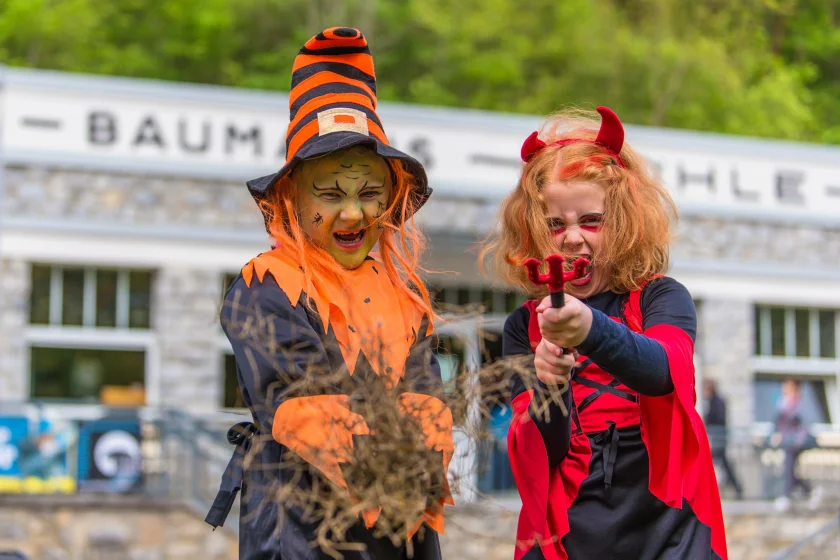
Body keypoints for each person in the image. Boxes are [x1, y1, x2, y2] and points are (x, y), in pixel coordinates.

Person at [205, 27, 454, 559]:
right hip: (304, 524)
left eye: (369, 194)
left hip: (403, 523)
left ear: (392, 197)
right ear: (292, 199)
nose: (352, 213)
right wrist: (383, 467)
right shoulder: (267, 284)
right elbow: (294, 397)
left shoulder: (403, 292)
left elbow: (426, 392)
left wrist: (422, 461)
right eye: (330, 194)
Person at [481, 107, 727, 559]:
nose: (572, 238)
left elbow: (662, 373)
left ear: (626, 221)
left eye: (591, 221)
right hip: (568, 534)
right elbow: (542, 453)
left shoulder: (661, 298)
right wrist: (551, 386)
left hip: (669, 526)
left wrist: (591, 329)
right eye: (556, 224)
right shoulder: (524, 326)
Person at [769, 378, 818, 511]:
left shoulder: (799, 403)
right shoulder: (783, 403)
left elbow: (804, 424)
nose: (784, 388)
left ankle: (787, 496)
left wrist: (798, 441)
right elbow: (780, 423)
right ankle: (809, 491)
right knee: (790, 469)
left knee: (789, 467)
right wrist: (777, 434)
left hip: (795, 443)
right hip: (787, 442)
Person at [703, 379, 743, 499]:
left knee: (713, 463)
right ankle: (735, 487)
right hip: (716, 438)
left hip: (718, 438)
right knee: (722, 464)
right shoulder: (713, 401)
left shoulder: (717, 401)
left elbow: (718, 419)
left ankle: (734, 488)